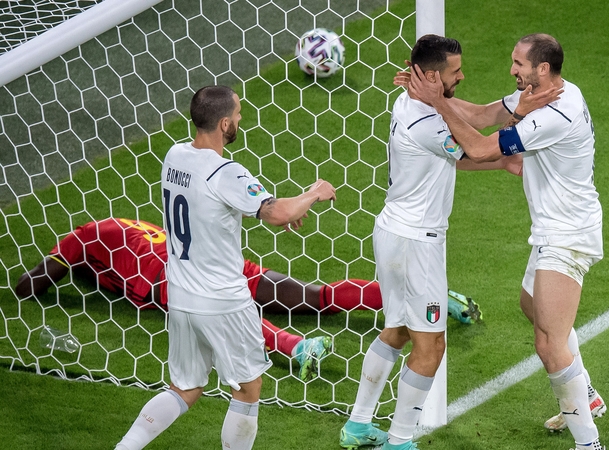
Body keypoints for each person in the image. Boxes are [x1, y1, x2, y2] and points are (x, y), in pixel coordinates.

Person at [338, 35, 559, 450]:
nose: (462, 76)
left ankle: (357, 425)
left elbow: (470, 123)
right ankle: (400, 441)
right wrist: (514, 135)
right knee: (432, 345)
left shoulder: (415, 103)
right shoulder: (425, 118)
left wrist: (507, 136)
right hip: (415, 244)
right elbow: (471, 149)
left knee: (398, 330)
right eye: (455, 72)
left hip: (394, 231)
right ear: (434, 77)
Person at [408, 34, 606, 449]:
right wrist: (430, 94)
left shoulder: (555, 114)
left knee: (549, 344)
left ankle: (589, 443)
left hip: (568, 236)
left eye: (519, 64)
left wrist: (439, 104)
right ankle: (586, 394)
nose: (512, 70)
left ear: (543, 69)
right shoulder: (549, 91)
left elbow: (479, 148)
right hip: (554, 230)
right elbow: (481, 114)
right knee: (531, 305)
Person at [112, 85, 337, 450]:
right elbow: (277, 213)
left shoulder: (174, 156)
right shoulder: (225, 172)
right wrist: (313, 193)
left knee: (185, 389)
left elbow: (255, 207)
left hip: (182, 297)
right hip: (223, 302)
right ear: (224, 123)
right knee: (248, 389)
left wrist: (285, 206)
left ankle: (126, 447)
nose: (241, 121)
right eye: (239, 116)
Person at [15, 218, 483, 380]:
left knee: (229, 314)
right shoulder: (124, 229)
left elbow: (34, 283)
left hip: (171, 279)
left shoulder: (82, 238)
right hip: (218, 260)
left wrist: (63, 266)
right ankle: (429, 296)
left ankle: (294, 347)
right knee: (311, 294)